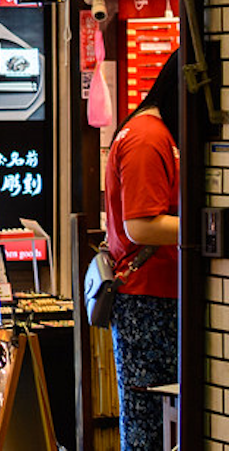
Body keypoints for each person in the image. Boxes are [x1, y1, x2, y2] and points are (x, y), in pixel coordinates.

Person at [105, 50, 180, 451]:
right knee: (150, 422)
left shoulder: (151, 132)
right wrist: (210, 227)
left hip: (155, 296)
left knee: (153, 419)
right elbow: (141, 225)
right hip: (149, 300)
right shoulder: (149, 138)